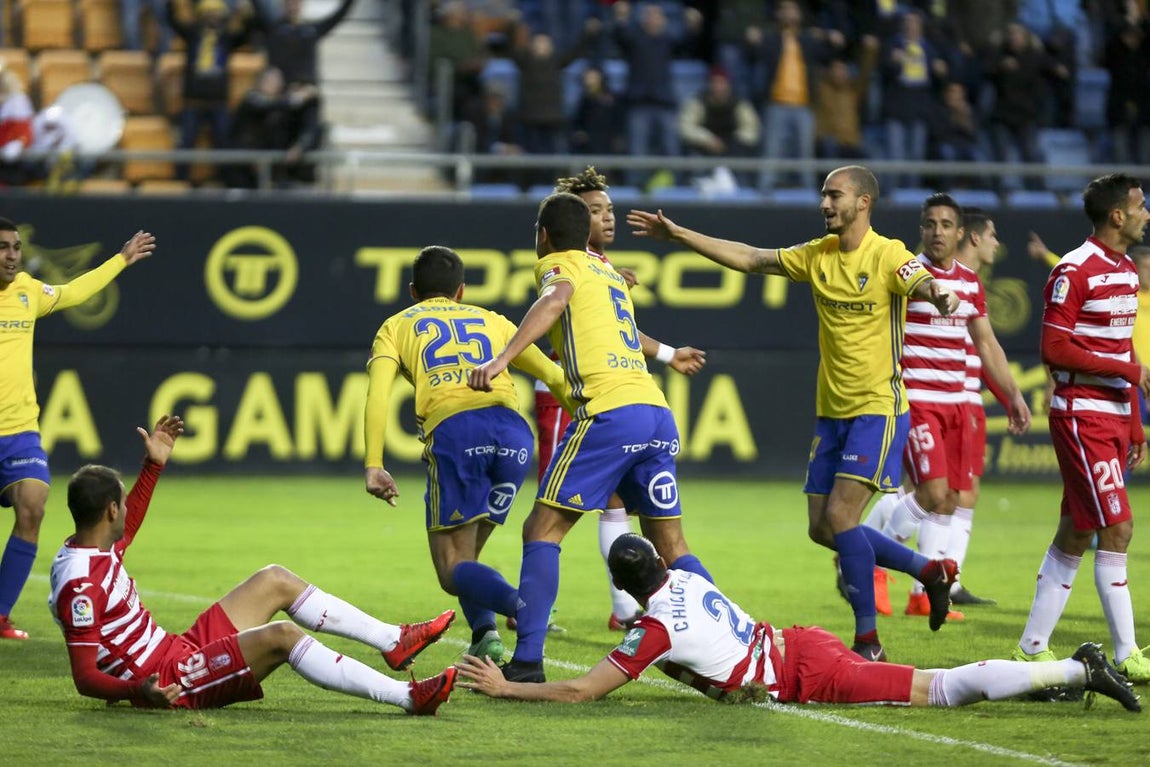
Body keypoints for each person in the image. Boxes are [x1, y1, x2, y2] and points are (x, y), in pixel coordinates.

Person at [626, 165, 961, 663]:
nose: (824, 204)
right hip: (832, 412)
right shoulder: (817, 255)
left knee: (843, 516)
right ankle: (929, 571)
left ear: (864, 203)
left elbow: (924, 282)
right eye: (823, 195)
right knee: (822, 529)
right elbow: (749, 258)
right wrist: (679, 234)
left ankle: (868, 642)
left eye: (834, 195)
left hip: (878, 410)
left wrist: (941, 294)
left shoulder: (888, 254)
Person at [456, 533, 1141, 714]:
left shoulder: (653, 628)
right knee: (940, 687)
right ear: (662, 559)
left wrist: (506, 687)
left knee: (943, 689)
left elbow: (582, 691)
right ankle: (1050, 680)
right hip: (798, 642)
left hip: (812, 671)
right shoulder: (688, 578)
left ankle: (1080, 665)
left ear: (624, 588)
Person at [50, 415, 456, 712]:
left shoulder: (96, 545)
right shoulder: (80, 586)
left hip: (177, 651)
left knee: (273, 579)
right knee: (281, 635)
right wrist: (140, 691)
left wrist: (153, 464)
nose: (125, 510)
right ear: (108, 511)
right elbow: (85, 677)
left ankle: (392, 640)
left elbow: (131, 523)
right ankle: (407, 698)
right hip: (169, 681)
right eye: (120, 502)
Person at [468, 192, 712, 683]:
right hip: (655, 413)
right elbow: (622, 332)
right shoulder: (606, 273)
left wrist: (499, 361)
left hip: (609, 413)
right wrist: (667, 355)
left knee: (542, 530)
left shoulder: (558, 265)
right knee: (670, 541)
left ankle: (528, 662)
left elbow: (554, 301)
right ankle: (734, 639)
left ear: (542, 236)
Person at [364, 245, 571, 664]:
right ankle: (485, 635)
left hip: (458, 432)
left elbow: (378, 395)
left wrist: (374, 463)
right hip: (514, 436)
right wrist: (591, 420)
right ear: (461, 291)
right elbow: (553, 374)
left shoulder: (396, 326)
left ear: (411, 290)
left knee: (451, 569)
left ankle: (523, 608)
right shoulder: (492, 320)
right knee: (468, 555)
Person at [541, 167, 707, 631]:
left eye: (610, 209)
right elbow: (553, 311)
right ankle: (541, 608)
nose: (608, 218)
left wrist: (670, 353)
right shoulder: (567, 263)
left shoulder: (603, 269)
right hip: (569, 397)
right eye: (596, 212)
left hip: (612, 404)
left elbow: (624, 334)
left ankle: (624, 610)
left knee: (610, 506)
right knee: (555, 514)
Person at [1013, 172, 1150, 682]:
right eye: (1141, 205)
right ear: (1117, 215)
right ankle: (1127, 653)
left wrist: (1134, 420)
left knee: (1077, 529)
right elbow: (1055, 348)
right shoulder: (1074, 270)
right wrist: (1131, 374)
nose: (1146, 213)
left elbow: (1121, 346)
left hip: (1114, 415)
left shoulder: (1127, 271)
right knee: (1118, 528)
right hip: (1081, 414)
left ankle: (1031, 647)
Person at [865, 197, 1030, 619]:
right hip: (918, 402)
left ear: (960, 234)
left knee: (951, 498)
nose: (937, 231)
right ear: (921, 230)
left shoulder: (971, 283)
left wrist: (1011, 393)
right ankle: (873, 562)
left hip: (958, 404)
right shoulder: (906, 275)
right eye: (929, 224)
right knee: (931, 492)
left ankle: (923, 594)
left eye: (945, 224)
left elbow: (986, 342)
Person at [0, 222, 156, 641]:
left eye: (15, 247)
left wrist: (120, 260)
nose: (12, 255)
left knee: (32, 505)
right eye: (2, 248)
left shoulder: (28, 292)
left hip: (18, 431)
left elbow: (73, 292)